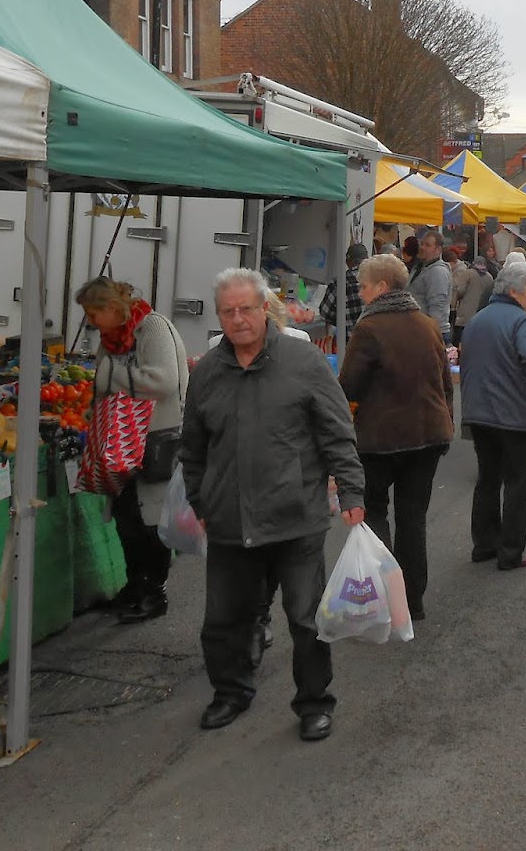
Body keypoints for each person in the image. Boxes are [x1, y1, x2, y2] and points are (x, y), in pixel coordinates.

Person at [180, 267, 366, 739]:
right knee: (225, 620)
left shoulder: (302, 362)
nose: (238, 319)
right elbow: (193, 447)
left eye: (247, 309)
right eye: (228, 312)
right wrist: (202, 501)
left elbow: (337, 432)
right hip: (228, 520)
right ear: (219, 316)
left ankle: (313, 703)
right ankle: (231, 693)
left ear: (266, 309)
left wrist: (350, 490)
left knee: (306, 619)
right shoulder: (206, 375)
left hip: (295, 516)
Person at [337, 254, 452, 623]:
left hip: (381, 438)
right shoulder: (427, 324)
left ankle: (386, 596)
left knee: (374, 513)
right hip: (429, 434)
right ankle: (413, 601)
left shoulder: (369, 329)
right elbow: (445, 383)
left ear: (382, 288)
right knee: (412, 518)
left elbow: (348, 386)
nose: (360, 292)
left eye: (364, 285)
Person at [76, 277, 190, 623]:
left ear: (112, 308)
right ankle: (134, 584)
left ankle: (155, 591)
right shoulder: (111, 338)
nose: (90, 322)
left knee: (149, 520)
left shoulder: (152, 328)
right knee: (125, 516)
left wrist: (111, 373)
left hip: (156, 438)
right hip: (120, 441)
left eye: (93, 313)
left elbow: (164, 381)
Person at [460, 261, 526, 571]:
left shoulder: (478, 319)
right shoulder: (521, 321)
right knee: (516, 483)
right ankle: (510, 552)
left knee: (487, 479)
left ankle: (484, 544)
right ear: (512, 291)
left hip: (478, 412)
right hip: (511, 412)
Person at [407, 228, 453, 340]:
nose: (422, 248)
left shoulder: (438, 271)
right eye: (422, 244)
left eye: (428, 245)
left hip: (431, 333)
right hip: (418, 329)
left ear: (438, 250)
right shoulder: (419, 268)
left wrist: (430, 333)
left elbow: (436, 306)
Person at [318, 243, 367, 340]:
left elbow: (325, 312)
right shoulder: (376, 279)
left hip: (350, 343)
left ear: (348, 260)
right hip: (373, 342)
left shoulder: (340, 282)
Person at [450, 251, 493, 349]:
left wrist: (456, 298)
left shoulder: (468, 273)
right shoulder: (489, 277)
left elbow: (460, 290)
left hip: (465, 312)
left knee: (460, 339)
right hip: (481, 314)